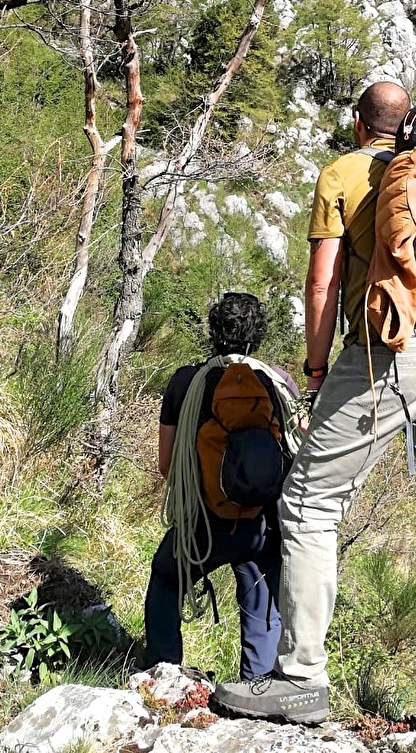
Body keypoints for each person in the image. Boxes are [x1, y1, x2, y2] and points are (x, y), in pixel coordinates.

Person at [214, 82, 416, 751]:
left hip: (385, 352)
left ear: (360, 122)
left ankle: (300, 677)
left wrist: (317, 369)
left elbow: (322, 283)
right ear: (406, 123)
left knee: (308, 503)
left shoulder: (345, 172)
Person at [144, 291, 297, 680]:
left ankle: (164, 676)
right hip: (262, 526)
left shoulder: (186, 382)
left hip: (203, 523)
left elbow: (167, 465)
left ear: (213, 330)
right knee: (261, 604)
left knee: (166, 578)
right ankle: (257, 688)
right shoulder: (280, 384)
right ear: (258, 334)